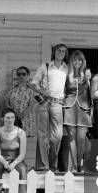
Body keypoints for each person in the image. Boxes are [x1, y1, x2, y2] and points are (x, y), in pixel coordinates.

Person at [31, 43, 68, 171]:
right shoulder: (46, 66)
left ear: (65, 54)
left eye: (63, 51)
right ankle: (42, 166)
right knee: (42, 135)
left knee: (57, 136)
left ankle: (52, 164)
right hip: (44, 102)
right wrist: (41, 89)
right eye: (58, 50)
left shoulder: (66, 68)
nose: (60, 53)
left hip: (58, 104)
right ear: (54, 52)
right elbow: (33, 83)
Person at [63, 50, 92, 172]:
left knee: (81, 138)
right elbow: (63, 91)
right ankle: (74, 166)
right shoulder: (66, 74)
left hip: (83, 107)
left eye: (79, 60)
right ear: (71, 61)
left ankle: (80, 164)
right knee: (72, 138)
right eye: (75, 60)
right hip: (69, 107)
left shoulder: (87, 74)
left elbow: (90, 92)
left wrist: (91, 109)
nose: (77, 62)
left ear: (83, 61)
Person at [0, 108, 28, 193]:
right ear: (2, 119)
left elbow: (22, 154)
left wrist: (14, 163)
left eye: (12, 117)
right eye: (7, 118)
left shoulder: (21, 132)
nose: (10, 120)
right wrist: (4, 162)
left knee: (22, 169)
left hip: (17, 159)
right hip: (2, 159)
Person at [3, 66, 36, 137]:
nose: (21, 76)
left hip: (26, 119)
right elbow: (6, 102)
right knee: (12, 141)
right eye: (19, 74)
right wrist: (14, 114)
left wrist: (22, 115)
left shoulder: (31, 90)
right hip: (12, 118)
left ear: (27, 75)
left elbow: (31, 105)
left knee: (23, 141)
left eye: (23, 74)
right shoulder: (11, 89)